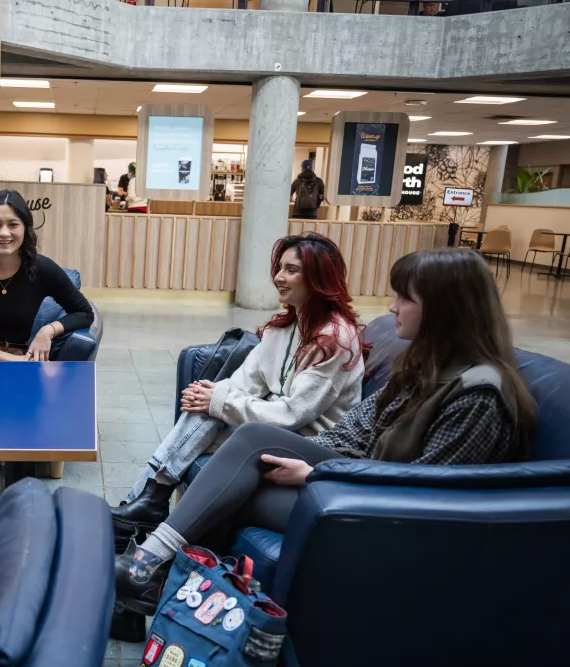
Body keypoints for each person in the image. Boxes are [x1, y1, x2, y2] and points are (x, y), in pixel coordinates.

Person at [114, 247, 538, 614]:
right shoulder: (426, 366)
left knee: (239, 467)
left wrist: (317, 472)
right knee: (246, 458)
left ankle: (146, 569)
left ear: (447, 309)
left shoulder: (479, 395)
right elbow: (356, 429)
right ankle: (147, 582)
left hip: (385, 514)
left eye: (404, 298)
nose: (391, 308)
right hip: (359, 483)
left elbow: (427, 493)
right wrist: (309, 457)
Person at [110, 233, 366, 543]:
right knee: (210, 404)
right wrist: (211, 395)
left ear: (319, 277)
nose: (278, 277)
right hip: (273, 426)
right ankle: (146, 501)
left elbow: (292, 415)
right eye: (279, 268)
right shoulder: (284, 328)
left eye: (291, 270)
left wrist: (218, 400)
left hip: (308, 441)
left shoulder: (336, 340)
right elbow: (245, 382)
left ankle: (146, 501)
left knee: (214, 406)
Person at [0, 188, 95, 362]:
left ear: (25, 228)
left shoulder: (42, 268)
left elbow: (85, 313)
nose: (4, 233)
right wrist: (12, 360)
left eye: (13, 224)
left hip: (16, 353)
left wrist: (48, 330)